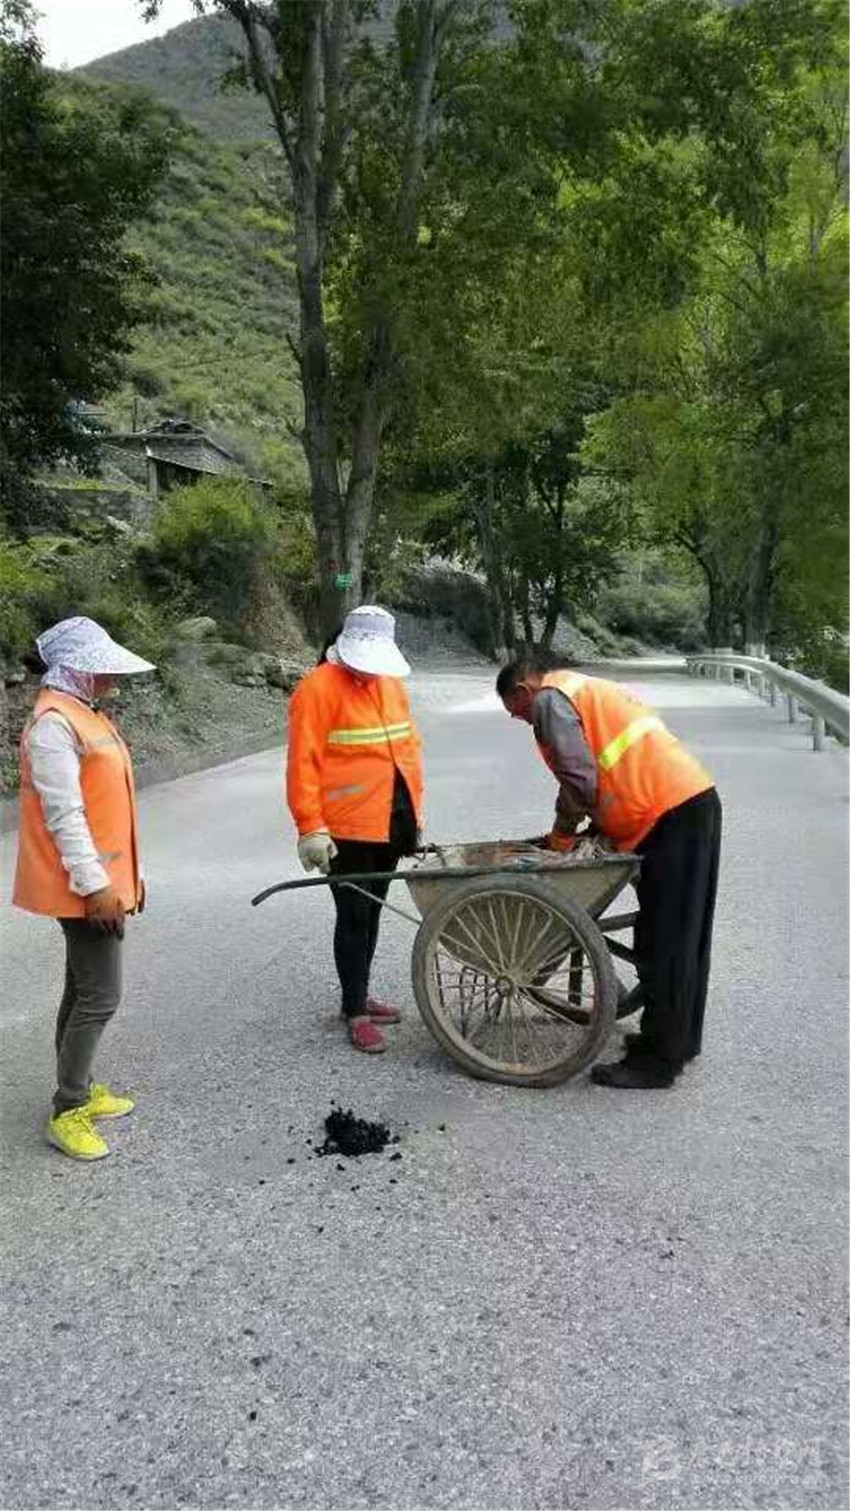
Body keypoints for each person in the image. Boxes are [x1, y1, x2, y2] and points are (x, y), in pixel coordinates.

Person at [497, 657, 721, 1089]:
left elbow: (579, 779)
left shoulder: (549, 701)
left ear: (524, 690)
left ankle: (656, 1063)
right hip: (688, 802)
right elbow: (606, 768)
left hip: (668, 813)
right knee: (686, 935)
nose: (523, 721)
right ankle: (677, 1041)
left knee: (664, 939)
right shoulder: (581, 687)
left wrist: (562, 835)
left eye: (517, 712)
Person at [13, 616, 153, 1159]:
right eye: (101, 670)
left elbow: (107, 808)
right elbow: (65, 816)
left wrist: (128, 879)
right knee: (100, 996)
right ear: (75, 670)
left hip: (98, 879)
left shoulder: (82, 711)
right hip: (81, 885)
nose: (111, 679)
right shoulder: (54, 724)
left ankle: (80, 1087)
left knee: (81, 989)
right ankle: (68, 1109)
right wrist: (97, 887)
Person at [286, 606, 424, 1053]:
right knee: (353, 916)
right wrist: (310, 827)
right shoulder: (317, 688)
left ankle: (359, 995)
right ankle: (355, 1011)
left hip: (389, 821)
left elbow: (407, 752)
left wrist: (413, 816)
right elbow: (302, 765)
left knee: (374, 911)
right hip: (344, 830)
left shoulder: (391, 685)